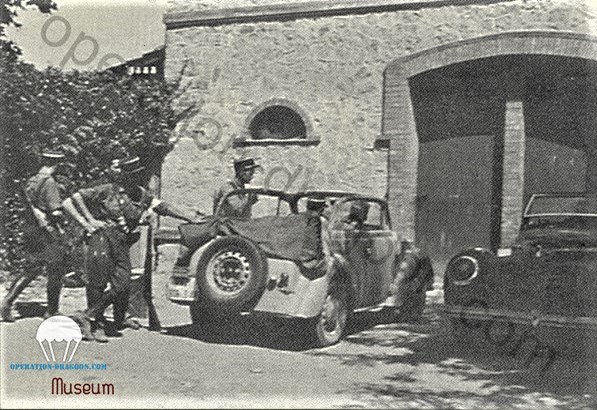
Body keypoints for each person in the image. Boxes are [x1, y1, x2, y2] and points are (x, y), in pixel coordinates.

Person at [63, 156, 194, 342]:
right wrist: (87, 222)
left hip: (123, 242)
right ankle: (96, 325)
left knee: (123, 285)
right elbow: (71, 200)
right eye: (131, 175)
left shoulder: (142, 195)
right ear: (123, 176)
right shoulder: (108, 190)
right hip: (102, 238)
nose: (135, 179)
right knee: (98, 283)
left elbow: (163, 207)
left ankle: (86, 315)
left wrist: (188, 218)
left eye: (138, 174)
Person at [1, 150, 72, 322]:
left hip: (32, 228)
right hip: (47, 230)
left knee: (33, 267)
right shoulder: (49, 182)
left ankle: (8, 301)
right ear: (56, 164)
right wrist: (65, 222)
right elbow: (55, 211)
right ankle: (52, 310)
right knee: (57, 268)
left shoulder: (33, 180)